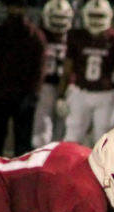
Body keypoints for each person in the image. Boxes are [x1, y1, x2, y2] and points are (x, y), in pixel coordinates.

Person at [0, 0, 47, 157]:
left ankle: (20, 176)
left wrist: (32, 95)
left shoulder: (34, 36)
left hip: (21, 96)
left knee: (22, 142)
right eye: (14, 7)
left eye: (19, 7)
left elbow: (39, 70)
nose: (16, 12)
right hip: (1, 93)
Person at [57, 0, 114, 146]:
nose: (96, 20)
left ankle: (99, 169)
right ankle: (69, 169)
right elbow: (67, 68)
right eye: (93, 15)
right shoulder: (76, 36)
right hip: (80, 92)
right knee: (72, 136)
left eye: (100, 16)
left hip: (105, 94)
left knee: (102, 141)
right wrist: (61, 95)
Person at [33, 0, 73, 149]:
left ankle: (57, 155)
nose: (59, 22)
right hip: (46, 84)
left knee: (63, 125)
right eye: (56, 17)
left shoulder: (73, 37)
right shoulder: (40, 35)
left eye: (62, 17)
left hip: (67, 85)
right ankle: (40, 156)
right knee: (42, 124)